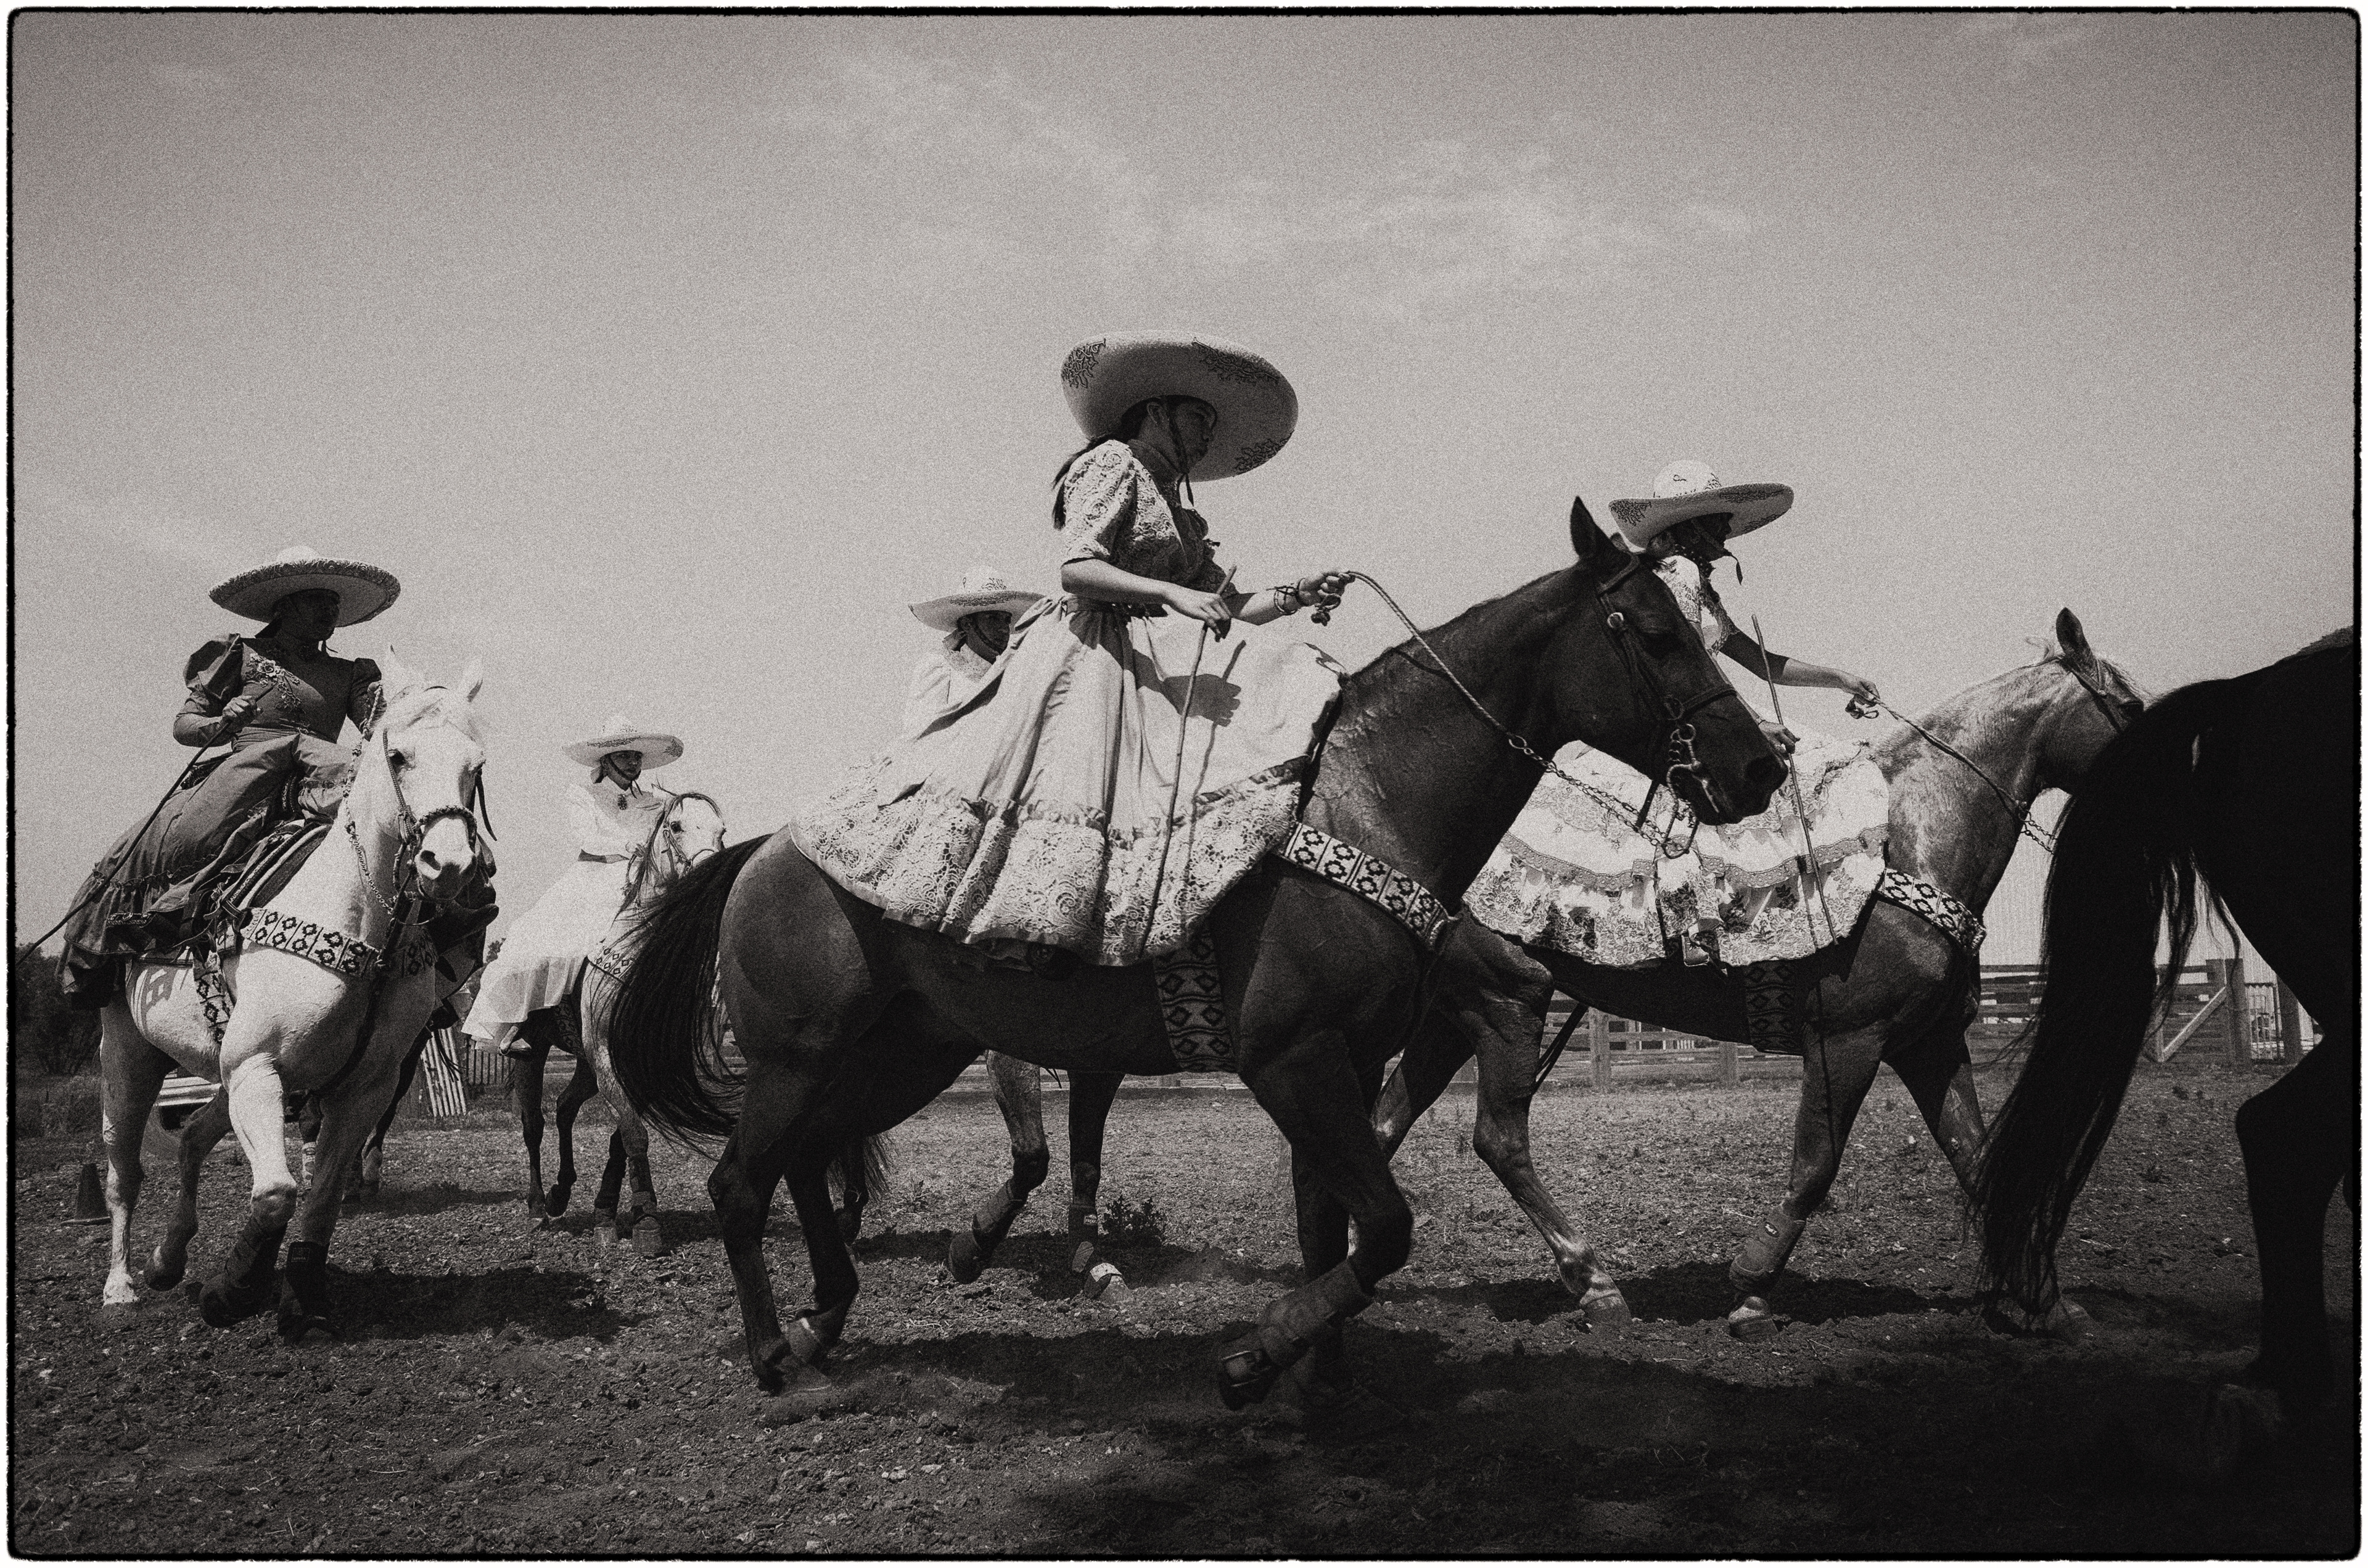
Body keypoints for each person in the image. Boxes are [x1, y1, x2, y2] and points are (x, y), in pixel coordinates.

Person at [794, 330, 1352, 968]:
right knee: (1076, 785)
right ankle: (1022, 927)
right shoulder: (1113, 463)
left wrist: (1295, 594)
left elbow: (1219, 603)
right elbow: (1077, 568)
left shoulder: (1177, 507)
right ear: (1158, 410)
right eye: (1199, 418)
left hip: (1153, 653)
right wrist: (1169, 593)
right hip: (1095, 648)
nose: (1206, 437)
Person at [1468, 461, 1890, 970]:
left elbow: (1760, 662)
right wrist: (1754, 726)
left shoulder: (1699, 586)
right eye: (1716, 518)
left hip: (1712, 714)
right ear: (1687, 527)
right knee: (1718, 796)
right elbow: (1689, 675)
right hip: (1688, 723)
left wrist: (1839, 678)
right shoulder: (1679, 578)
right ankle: (1701, 932)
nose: (1726, 528)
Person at [58, 546, 398, 1005]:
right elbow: (183, 725)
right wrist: (221, 724)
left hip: (322, 770)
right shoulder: (240, 654)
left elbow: (382, 730)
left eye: (334, 601)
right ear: (285, 606)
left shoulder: (351, 673)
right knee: (180, 840)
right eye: (318, 598)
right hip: (246, 771)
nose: (330, 609)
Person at [463, 715, 681, 1057]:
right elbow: (588, 837)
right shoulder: (582, 794)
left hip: (642, 876)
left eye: (637, 756)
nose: (633, 763)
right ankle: (524, 1022)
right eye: (625, 756)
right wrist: (628, 847)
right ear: (605, 760)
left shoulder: (655, 800)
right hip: (595, 875)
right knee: (548, 938)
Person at [900, 565, 1042, 737]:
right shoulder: (942, 669)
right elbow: (919, 735)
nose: (1004, 629)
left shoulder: (1012, 679)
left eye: (1006, 620)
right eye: (992, 618)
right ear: (967, 624)